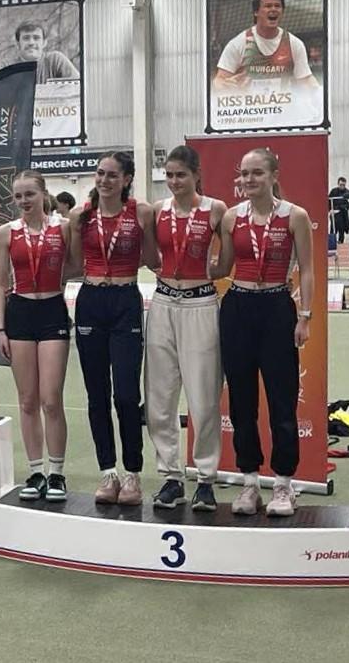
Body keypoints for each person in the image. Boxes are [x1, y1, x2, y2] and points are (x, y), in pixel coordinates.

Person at [213, 147, 314, 517]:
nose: (249, 179)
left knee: (282, 401)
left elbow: (307, 270)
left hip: (276, 309)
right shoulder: (231, 217)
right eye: (244, 173)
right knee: (241, 402)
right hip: (238, 309)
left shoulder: (295, 216)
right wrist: (182, 264)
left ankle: (284, 483)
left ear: (274, 175)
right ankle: (250, 482)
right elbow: (223, 266)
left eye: (256, 172)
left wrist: (305, 317)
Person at [68, 152, 160, 505]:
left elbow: (152, 259)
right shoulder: (81, 216)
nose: (104, 180)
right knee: (97, 395)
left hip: (125, 301)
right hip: (91, 301)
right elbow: (73, 264)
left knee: (125, 394)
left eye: (111, 175)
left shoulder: (142, 213)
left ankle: (132, 473)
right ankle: (108, 471)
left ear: (126, 179)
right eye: (100, 174)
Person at [144, 146, 227, 511]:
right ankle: (171, 477)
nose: (174, 181)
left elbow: (227, 261)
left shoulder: (216, 209)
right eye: (169, 175)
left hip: (200, 304)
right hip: (163, 303)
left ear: (196, 175)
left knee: (204, 397)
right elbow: (149, 256)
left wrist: (211, 272)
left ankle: (205, 479)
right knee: (160, 397)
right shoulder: (157, 210)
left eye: (181, 174)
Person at [0, 171, 72, 502]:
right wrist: (0, 328)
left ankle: (57, 473)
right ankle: (36, 471)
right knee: (27, 400)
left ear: (43, 194)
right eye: (18, 196)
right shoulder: (6, 233)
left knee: (51, 399)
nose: (24, 201)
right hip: (20, 314)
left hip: (52, 311)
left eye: (30, 194)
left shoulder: (63, 228)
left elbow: (78, 265)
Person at [213, 0, 318, 92]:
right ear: (256, 12)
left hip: (284, 102)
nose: (273, 9)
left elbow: (305, 80)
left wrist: (318, 90)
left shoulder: (294, 44)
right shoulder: (238, 44)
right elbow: (219, 80)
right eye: (268, 6)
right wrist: (224, 85)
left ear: (282, 12)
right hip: (248, 102)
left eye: (277, 6)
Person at [12, 21, 80, 83]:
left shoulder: (56, 60)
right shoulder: (10, 67)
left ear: (44, 43)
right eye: (26, 38)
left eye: (36, 38)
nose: (31, 43)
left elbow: (77, 85)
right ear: (18, 44)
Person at [328, 177, 349, 244]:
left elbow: (347, 205)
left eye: (343, 185)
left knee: (341, 230)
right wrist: (330, 210)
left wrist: (338, 209)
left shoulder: (348, 193)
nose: (342, 186)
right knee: (333, 229)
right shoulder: (333, 191)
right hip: (334, 214)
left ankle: (341, 243)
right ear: (338, 184)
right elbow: (329, 201)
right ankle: (332, 244)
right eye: (340, 185)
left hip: (343, 214)